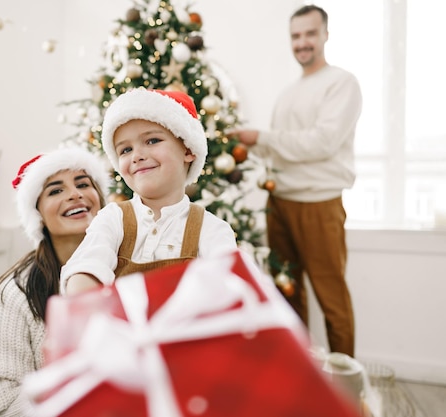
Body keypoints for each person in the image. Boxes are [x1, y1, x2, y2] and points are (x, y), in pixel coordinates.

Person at [229, 5, 362, 357]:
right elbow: (280, 151)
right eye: (296, 36)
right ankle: (301, 381)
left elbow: (321, 143)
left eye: (310, 34)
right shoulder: (290, 92)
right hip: (280, 203)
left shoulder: (341, 83)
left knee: (331, 299)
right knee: (287, 295)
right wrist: (241, 146)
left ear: (325, 35)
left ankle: (348, 393)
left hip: (319, 203)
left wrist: (261, 137)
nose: (302, 42)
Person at [0, 147, 110, 417]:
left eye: (83, 184)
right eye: (55, 190)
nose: (74, 194)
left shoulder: (137, 263)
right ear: (38, 215)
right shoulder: (15, 294)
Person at [61, 88, 238, 295]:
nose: (137, 156)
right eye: (125, 150)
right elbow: (86, 267)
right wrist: (84, 296)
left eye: (152, 141)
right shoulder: (113, 219)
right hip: (121, 326)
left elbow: (232, 286)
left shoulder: (211, 229)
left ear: (188, 150)